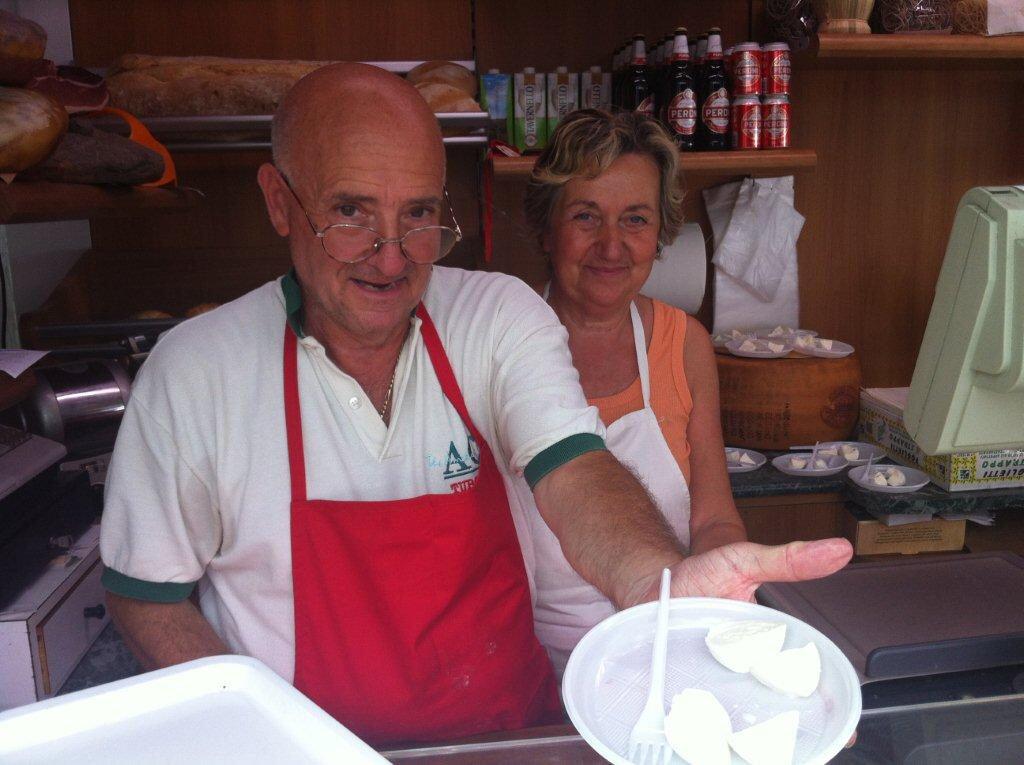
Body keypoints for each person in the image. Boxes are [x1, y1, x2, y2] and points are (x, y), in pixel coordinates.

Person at [100, 63, 853, 746]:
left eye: (419, 215)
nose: (391, 257)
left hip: (505, 738)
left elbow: (577, 471)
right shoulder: (195, 373)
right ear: (279, 202)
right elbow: (147, 597)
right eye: (352, 213)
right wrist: (257, 736)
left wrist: (657, 588)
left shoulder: (497, 316)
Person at [517, 109, 751, 673]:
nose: (611, 246)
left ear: (661, 233)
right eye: (586, 216)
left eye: (635, 220)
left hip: (664, 640)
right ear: (548, 229)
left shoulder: (684, 343)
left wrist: (729, 627)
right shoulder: (505, 336)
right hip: (532, 653)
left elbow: (713, 518)